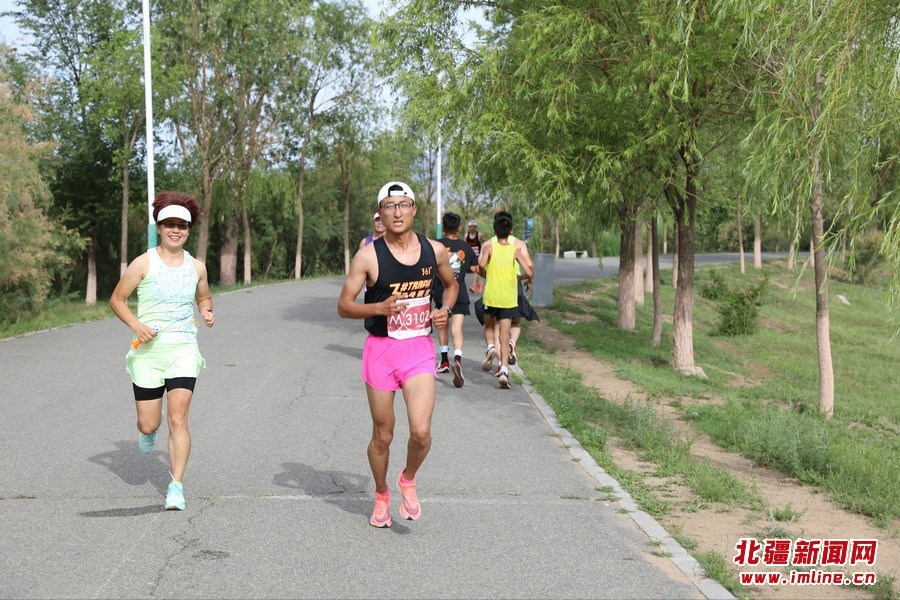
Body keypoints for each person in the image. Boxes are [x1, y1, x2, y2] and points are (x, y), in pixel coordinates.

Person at [337, 181, 458, 528]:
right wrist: (378, 307)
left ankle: (408, 478)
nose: (397, 212)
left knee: (421, 431)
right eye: (390, 206)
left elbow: (451, 286)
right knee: (383, 435)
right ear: (381, 213)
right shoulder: (368, 256)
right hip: (381, 351)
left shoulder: (435, 251)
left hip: (418, 348)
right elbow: (344, 305)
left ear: (414, 210)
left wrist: (445, 311)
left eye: (404, 204)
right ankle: (381, 494)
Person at [109, 192, 215, 511]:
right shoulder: (143, 263)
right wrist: (137, 325)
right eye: (169, 224)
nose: (175, 230)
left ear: (188, 230)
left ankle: (176, 486)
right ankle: (148, 432)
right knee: (148, 423)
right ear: (159, 227)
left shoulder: (197, 267)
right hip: (148, 353)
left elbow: (204, 297)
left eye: (182, 225)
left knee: (178, 418)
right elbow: (117, 300)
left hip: (183, 349)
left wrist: (206, 310)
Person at [477, 211, 534, 389]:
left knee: (489, 327)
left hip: (491, 296)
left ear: (494, 231)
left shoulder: (489, 247)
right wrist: (520, 278)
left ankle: (490, 348)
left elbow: (480, 265)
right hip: (509, 298)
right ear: (511, 232)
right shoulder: (515, 250)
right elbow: (529, 271)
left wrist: (487, 273)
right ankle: (504, 371)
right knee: (504, 335)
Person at [433, 212, 479, 388]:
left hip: (441, 292)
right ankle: (457, 359)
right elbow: (474, 267)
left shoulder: (437, 245)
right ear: (459, 228)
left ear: (443, 227)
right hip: (459, 293)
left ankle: (444, 361)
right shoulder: (465, 247)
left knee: (442, 327)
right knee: (456, 329)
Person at [465, 220, 484, 293]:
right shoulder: (466, 236)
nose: (472, 228)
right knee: (473, 270)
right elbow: (465, 246)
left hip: (478, 255)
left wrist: (483, 252)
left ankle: (473, 285)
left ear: (476, 227)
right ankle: (479, 282)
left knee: (476, 269)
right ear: (469, 227)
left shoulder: (479, 235)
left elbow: (484, 243)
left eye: (473, 227)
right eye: (470, 227)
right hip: (470, 255)